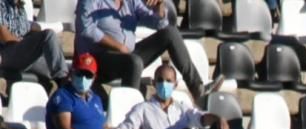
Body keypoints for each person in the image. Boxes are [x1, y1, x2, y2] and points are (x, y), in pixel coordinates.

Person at [75, 0, 208, 100]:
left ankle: (198, 89)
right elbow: (86, 28)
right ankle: (129, 113)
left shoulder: (131, 1)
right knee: (133, 61)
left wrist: (159, 7)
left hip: (127, 54)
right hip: (99, 58)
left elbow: (160, 24)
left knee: (170, 33)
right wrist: (118, 46)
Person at [0, 0, 68, 83]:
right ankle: (62, 81)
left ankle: (65, 85)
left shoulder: (21, 9)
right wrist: (25, 43)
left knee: (53, 60)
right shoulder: (2, 4)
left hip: (21, 53)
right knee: (48, 34)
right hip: (6, 53)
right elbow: (3, 35)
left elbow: (28, 29)